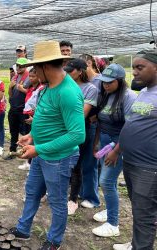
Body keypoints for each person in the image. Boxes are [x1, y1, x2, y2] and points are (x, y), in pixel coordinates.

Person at [10, 40, 85, 250]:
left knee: (57, 201)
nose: (33, 72)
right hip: (41, 153)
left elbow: (77, 135)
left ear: (45, 66)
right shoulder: (45, 88)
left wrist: (39, 149)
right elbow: (44, 117)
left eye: (35, 68)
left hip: (59, 157)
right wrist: (31, 137)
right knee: (32, 191)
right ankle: (23, 229)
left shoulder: (68, 92)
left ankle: (54, 241)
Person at [114, 49, 157, 250]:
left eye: (140, 67)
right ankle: (136, 244)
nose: (135, 72)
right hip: (131, 162)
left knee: (144, 215)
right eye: (134, 68)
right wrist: (117, 149)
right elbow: (132, 124)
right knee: (139, 210)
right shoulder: (145, 93)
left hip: (148, 167)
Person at [91, 64, 137, 237]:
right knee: (109, 181)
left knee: (106, 181)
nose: (106, 85)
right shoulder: (105, 95)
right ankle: (111, 208)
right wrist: (96, 143)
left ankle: (113, 224)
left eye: (110, 82)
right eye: (103, 82)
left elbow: (129, 128)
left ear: (119, 81)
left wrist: (116, 151)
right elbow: (99, 122)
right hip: (104, 141)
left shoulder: (128, 97)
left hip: (118, 144)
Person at [64, 58, 99, 215]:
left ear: (80, 71)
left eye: (71, 70)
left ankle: (72, 200)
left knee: (76, 165)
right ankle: (58, 193)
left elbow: (82, 114)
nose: (68, 73)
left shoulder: (90, 89)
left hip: (78, 129)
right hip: (62, 128)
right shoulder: (63, 86)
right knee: (61, 162)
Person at [77, 53, 103, 209]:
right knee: (80, 161)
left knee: (90, 162)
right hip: (83, 125)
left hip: (93, 126)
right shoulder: (81, 83)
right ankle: (81, 191)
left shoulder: (99, 82)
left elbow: (108, 103)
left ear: (88, 64)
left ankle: (92, 197)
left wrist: (98, 116)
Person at [18, 68, 45, 170]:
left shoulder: (41, 88)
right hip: (28, 114)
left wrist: (34, 118)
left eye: (33, 76)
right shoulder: (31, 88)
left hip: (34, 116)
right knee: (28, 137)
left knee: (35, 141)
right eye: (30, 76)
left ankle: (31, 163)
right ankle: (28, 162)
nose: (31, 78)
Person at [4, 57, 29, 160]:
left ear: (26, 66)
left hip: (23, 109)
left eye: (21, 66)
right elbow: (10, 94)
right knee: (13, 131)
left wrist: (21, 88)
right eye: (17, 65)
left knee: (25, 132)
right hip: (13, 108)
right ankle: (12, 151)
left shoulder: (29, 77)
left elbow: (32, 92)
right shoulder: (15, 77)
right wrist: (10, 87)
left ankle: (27, 155)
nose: (18, 68)